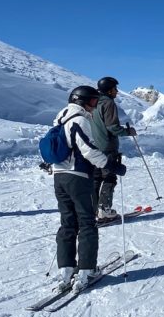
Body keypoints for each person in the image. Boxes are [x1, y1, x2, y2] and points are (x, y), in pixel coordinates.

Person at [53, 85, 126, 293]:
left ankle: (66, 271)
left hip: (59, 178)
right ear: (82, 102)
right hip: (78, 177)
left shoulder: (59, 119)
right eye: (93, 102)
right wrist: (112, 166)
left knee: (68, 222)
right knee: (86, 222)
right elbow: (89, 150)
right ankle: (86, 271)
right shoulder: (79, 120)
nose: (94, 106)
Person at [91, 76, 137, 220]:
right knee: (109, 176)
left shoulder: (92, 102)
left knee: (96, 178)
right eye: (115, 89)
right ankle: (104, 210)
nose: (117, 91)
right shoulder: (108, 103)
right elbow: (112, 128)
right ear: (109, 90)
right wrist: (128, 131)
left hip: (92, 146)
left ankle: (91, 210)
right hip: (107, 146)